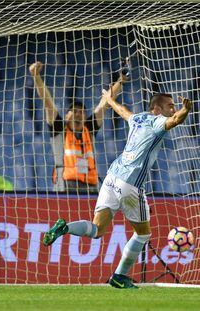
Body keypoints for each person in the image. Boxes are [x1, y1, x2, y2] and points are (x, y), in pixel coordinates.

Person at [43, 90, 193, 288]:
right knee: (142, 234)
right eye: (169, 105)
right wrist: (186, 109)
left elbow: (123, 112)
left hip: (112, 177)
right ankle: (120, 276)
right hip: (130, 184)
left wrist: (109, 99)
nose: (172, 109)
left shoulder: (138, 119)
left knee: (97, 230)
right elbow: (175, 120)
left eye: (174, 106)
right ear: (157, 109)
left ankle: (65, 227)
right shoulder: (157, 122)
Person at [29, 60, 129, 192]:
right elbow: (47, 102)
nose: (78, 114)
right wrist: (36, 77)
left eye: (81, 112)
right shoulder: (59, 129)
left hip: (91, 185)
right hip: (65, 184)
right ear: (66, 116)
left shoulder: (89, 128)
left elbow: (104, 103)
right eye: (74, 111)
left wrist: (120, 81)